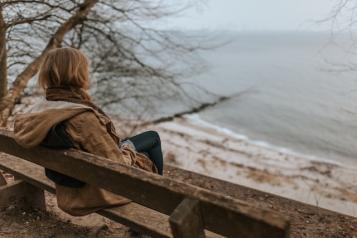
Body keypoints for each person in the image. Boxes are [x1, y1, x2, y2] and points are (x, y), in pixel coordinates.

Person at [13, 47, 163, 216]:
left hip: (68, 188)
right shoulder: (82, 118)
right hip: (94, 194)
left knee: (145, 138)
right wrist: (128, 148)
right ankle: (161, 200)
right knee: (152, 140)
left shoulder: (38, 110)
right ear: (78, 73)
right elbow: (117, 165)